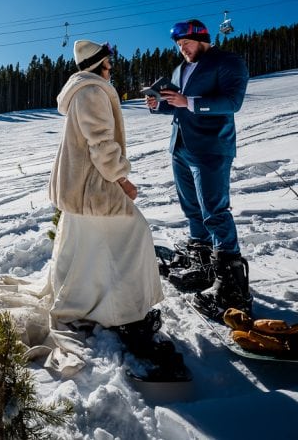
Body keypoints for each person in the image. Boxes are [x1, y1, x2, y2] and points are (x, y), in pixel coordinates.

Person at [46, 39, 186, 380]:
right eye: (108, 65)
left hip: (78, 190)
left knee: (86, 248)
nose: (112, 70)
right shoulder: (91, 92)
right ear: (96, 67)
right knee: (132, 238)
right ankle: (129, 319)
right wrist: (122, 180)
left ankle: (91, 304)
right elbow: (101, 144)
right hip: (94, 189)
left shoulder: (82, 90)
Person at [145, 19, 252, 318]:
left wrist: (188, 100)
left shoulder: (228, 61)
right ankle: (202, 264)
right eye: (179, 46)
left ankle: (232, 288)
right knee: (192, 208)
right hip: (180, 147)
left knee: (215, 211)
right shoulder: (180, 69)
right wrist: (159, 104)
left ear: (202, 38)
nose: (183, 50)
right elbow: (177, 104)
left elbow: (233, 101)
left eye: (186, 44)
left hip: (211, 148)